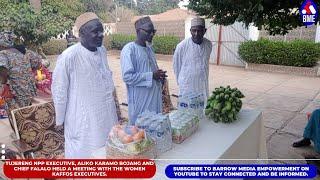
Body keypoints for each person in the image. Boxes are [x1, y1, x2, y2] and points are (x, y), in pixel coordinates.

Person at [51, 12, 118, 158]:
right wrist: (60, 120)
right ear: (81, 33)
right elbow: (59, 90)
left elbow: (106, 79)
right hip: (83, 119)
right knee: (86, 155)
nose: (101, 35)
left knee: (108, 152)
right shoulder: (69, 56)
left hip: (106, 115)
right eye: (95, 31)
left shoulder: (102, 51)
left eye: (101, 31)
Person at [120, 16, 166, 125]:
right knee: (141, 129)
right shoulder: (129, 49)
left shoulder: (149, 48)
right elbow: (127, 77)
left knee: (154, 126)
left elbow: (152, 70)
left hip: (154, 96)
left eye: (153, 32)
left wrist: (160, 76)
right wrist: (151, 76)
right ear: (138, 31)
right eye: (148, 32)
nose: (151, 35)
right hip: (141, 99)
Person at [0, 31, 40, 130]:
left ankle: (20, 137)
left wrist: (4, 84)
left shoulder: (3, 54)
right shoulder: (25, 51)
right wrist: (27, 73)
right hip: (28, 90)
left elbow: (2, 69)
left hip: (14, 91)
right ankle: (29, 132)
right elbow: (38, 63)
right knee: (27, 113)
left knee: (15, 116)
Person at [173, 17, 212, 105]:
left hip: (202, 84)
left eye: (199, 30)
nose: (196, 33)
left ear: (204, 31)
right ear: (190, 31)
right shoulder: (182, 46)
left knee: (202, 110)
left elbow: (205, 64)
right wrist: (181, 82)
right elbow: (177, 66)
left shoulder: (208, 44)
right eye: (194, 30)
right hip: (187, 85)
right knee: (186, 112)